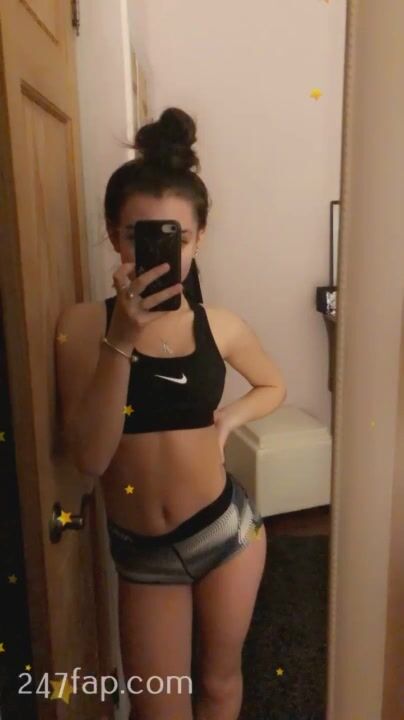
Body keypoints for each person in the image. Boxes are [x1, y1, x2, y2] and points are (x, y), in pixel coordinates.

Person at [56, 107, 287, 720]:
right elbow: (89, 458)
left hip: (226, 533)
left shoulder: (220, 324)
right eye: (141, 236)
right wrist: (121, 339)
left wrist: (228, 421)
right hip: (145, 554)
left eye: (177, 239)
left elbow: (274, 384)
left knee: (220, 685)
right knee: (159, 709)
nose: (159, 252)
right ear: (114, 236)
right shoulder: (81, 326)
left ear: (198, 239)